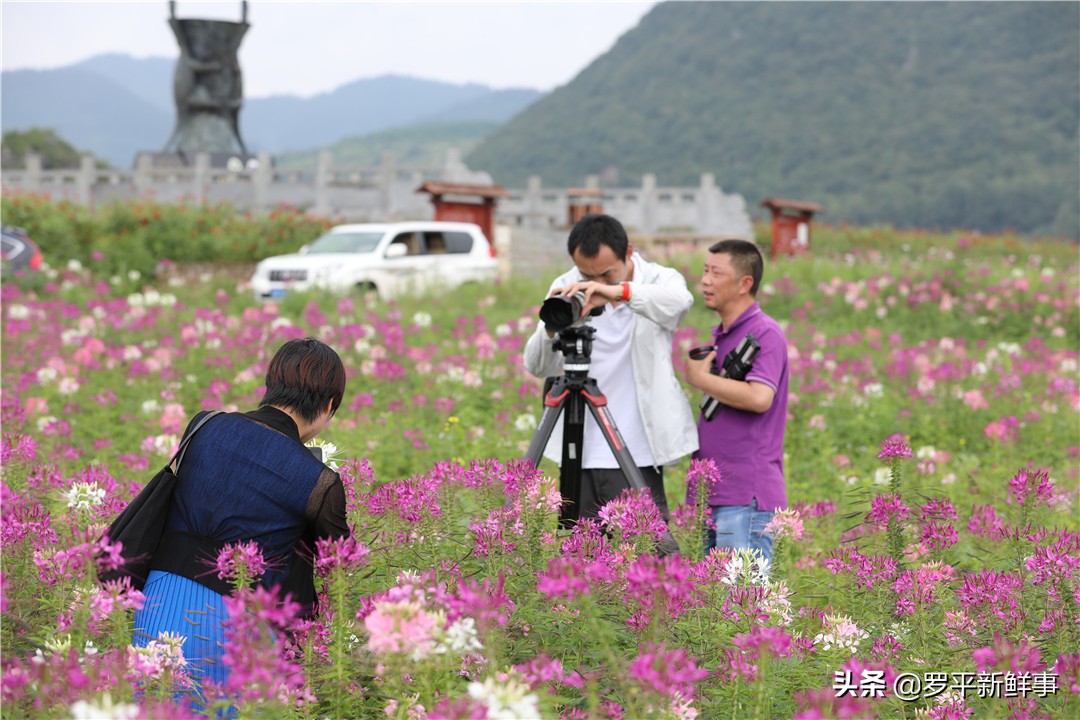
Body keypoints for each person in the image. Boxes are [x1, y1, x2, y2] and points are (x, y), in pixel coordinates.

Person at [133, 337, 349, 703]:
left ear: (271, 385)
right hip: (240, 627)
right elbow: (340, 560)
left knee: (154, 704)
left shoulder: (205, 425)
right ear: (329, 406)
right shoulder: (320, 482)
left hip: (161, 599)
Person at [523, 213, 699, 523]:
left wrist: (620, 291)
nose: (595, 284)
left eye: (606, 274)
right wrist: (551, 325)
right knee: (580, 553)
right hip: (579, 448)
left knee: (646, 551)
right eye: (586, 274)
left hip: (637, 447)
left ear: (628, 252)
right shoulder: (567, 286)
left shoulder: (660, 279)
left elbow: (679, 303)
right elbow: (537, 365)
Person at [684, 239, 789, 563]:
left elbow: (760, 397)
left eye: (716, 272)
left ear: (745, 283)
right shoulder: (724, 334)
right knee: (713, 607)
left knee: (741, 608)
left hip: (745, 499)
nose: (705, 280)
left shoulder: (765, 333)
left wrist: (701, 379)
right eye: (705, 271)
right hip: (713, 498)